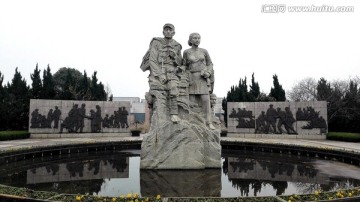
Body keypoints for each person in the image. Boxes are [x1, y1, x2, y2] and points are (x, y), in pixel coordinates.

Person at [140, 23, 183, 123]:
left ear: (174, 32)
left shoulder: (177, 45)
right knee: (158, 92)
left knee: (173, 88)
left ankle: (174, 114)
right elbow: (153, 60)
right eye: (166, 30)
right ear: (163, 31)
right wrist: (159, 74)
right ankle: (151, 101)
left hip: (172, 72)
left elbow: (181, 63)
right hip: (158, 71)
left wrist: (175, 57)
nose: (168, 31)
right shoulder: (156, 42)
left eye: (170, 30)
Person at [183, 33, 215, 130]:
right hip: (191, 78)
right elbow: (184, 65)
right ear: (190, 40)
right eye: (195, 38)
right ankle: (192, 122)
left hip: (202, 78)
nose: (197, 40)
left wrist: (208, 72)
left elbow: (210, 64)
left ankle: (208, 122)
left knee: (205, 100)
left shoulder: (204, 51)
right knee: (191, 102)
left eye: (198, 38)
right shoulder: (186, 52)